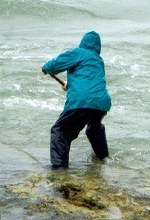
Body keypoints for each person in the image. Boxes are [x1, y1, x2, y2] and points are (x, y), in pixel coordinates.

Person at [42, 31, 111, 170]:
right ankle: (103, 158)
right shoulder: (98, 60)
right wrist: (68, 86)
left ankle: (59, 169)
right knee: (94, 128)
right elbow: (89, 80)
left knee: (59, 131)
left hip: (82, 101)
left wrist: (46, 67)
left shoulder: (79, 53)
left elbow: (54, 66)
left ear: (83, 42)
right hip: (102, 103)